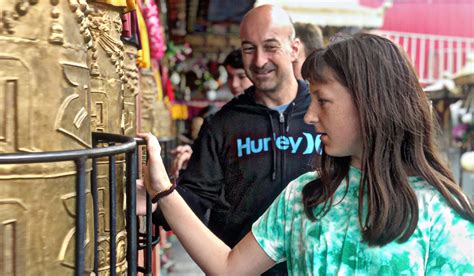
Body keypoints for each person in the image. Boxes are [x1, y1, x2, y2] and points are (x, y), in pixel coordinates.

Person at [138, 32, 474, 275]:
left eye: (322, 101)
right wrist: (164, 191)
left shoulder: (439, 213)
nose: (310, 115)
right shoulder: (304, 196)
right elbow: (228, 269)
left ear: (370, 104)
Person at [149, 5, 320, 275]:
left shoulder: (324, 111)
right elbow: (196, 197)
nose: (259, 60)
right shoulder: (222, 124)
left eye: (271, 46)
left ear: (294, 48)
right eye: (249, 49)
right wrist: (157, 201)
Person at [169, 50, 253, 178]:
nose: (234, 84)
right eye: (230, 77)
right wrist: (195, 153)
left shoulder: (270, 115)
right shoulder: (225, 117)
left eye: (241, 76)